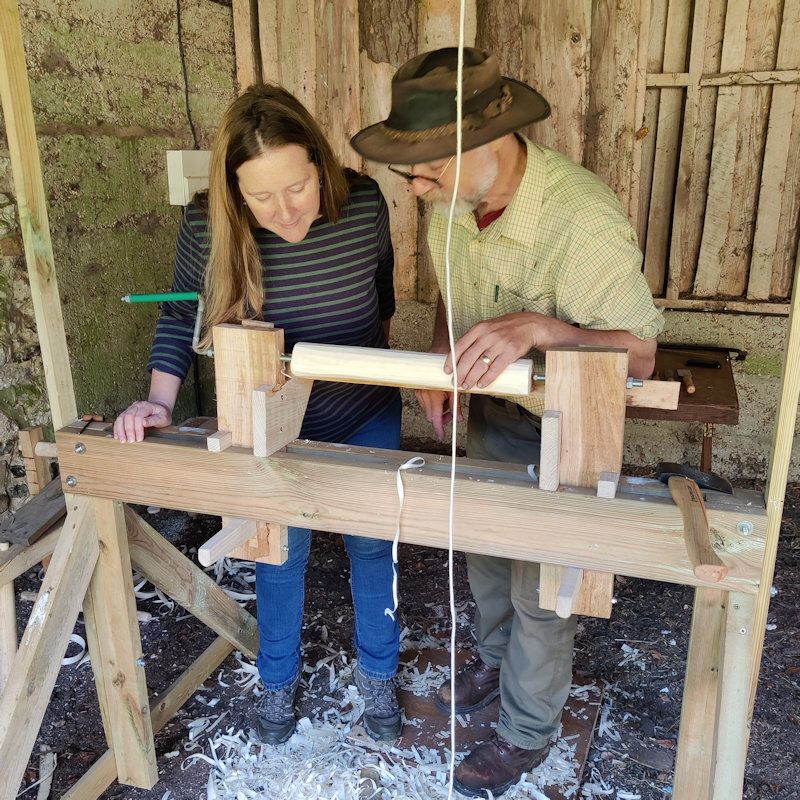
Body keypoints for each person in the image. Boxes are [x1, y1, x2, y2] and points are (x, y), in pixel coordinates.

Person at [352, 48, 663, 797]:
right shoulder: (450, 208)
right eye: (409, 171)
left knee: (542, 584)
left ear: (486, 144)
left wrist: (539, 328)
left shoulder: (581, 219)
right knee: (485, 550)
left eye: (427, 168)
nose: (415, 187)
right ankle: (494, 661)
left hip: (567, 418)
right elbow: (447, 302)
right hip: (494, 410)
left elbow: (643, 356)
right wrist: (438, 363)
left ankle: (526, 730)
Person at [114, 83, 404, 745]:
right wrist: (158, 402)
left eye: (298, 187)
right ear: (233, 193)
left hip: (363, 412)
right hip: (268, 425)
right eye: (262, 197)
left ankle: (379, 678)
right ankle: (277, 680)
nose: (287, 212)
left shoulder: (362, 203)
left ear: (320, 167)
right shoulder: (204, 226)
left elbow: (380, 289)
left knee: (372, 550)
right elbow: (181, 314)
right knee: (276, 555)